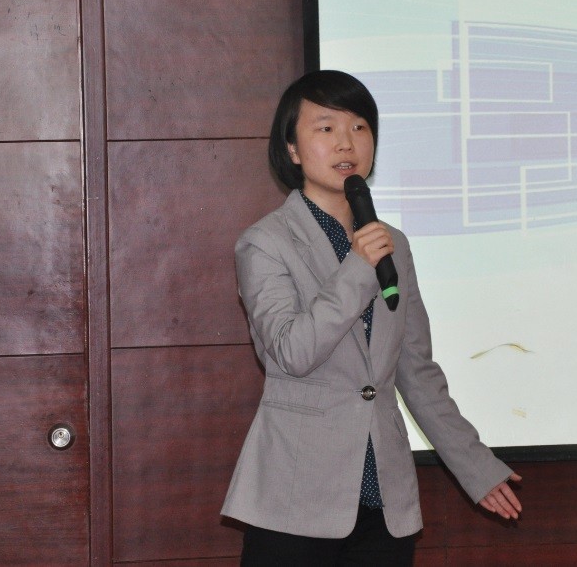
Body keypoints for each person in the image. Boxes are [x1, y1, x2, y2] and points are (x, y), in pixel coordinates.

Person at [222, 70, 522, 565]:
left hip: (384, 502)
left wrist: (477, 469)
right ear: (292, 149)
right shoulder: (266, 243)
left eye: (360, 127)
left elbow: (416, 371)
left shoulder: (393, 245)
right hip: (294, 501)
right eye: (326, 128)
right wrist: (358, 269)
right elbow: (292, 352)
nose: (347, 142)